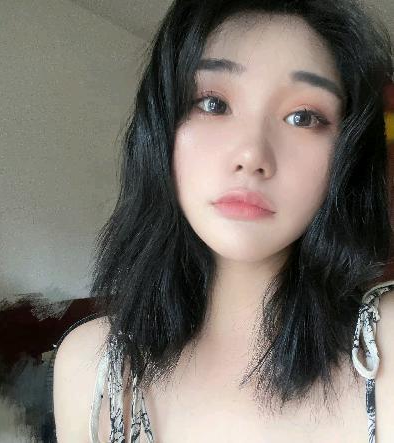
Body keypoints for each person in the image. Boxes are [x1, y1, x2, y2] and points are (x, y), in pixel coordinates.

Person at [53, 0, 394, 442]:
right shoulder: (92, 369)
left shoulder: (385, 346)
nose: (252, 154)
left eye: (303, 117)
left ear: (347, 154)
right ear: (161, 128)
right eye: (213, 104)